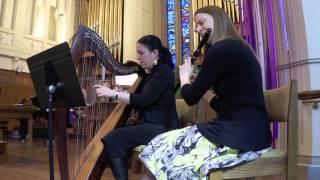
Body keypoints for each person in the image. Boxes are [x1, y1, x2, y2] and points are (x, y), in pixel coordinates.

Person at [139, 6, 272, 180]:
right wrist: (202, 88)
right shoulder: (234, 46)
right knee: (163, 145)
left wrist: (184, 77)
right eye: (196, 25)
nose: (196, 29)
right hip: (253, 131)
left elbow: (190, 98)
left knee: (161, 144)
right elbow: (225, 106)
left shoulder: (222, 48)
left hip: (241, 134)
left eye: (201, 23)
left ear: (219, 20)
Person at [90, 35, 179, 180]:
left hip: (162, 127)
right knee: (115, 137)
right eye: (138, 53)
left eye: (141, 53)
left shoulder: (163, 72)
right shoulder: (152, 74)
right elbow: (141, 99)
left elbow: (144, 100)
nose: (138, 57)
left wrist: (114, 94)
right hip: (151, 124)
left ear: (155, 53)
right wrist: (121, 92)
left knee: (112, 138)